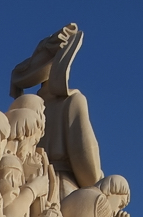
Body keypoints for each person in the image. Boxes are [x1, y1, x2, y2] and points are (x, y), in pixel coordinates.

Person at [9, 23, 104, 197]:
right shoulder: (73, 101)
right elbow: (88, 170)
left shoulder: (24, 106)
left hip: (25, 185)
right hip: (61, 191)